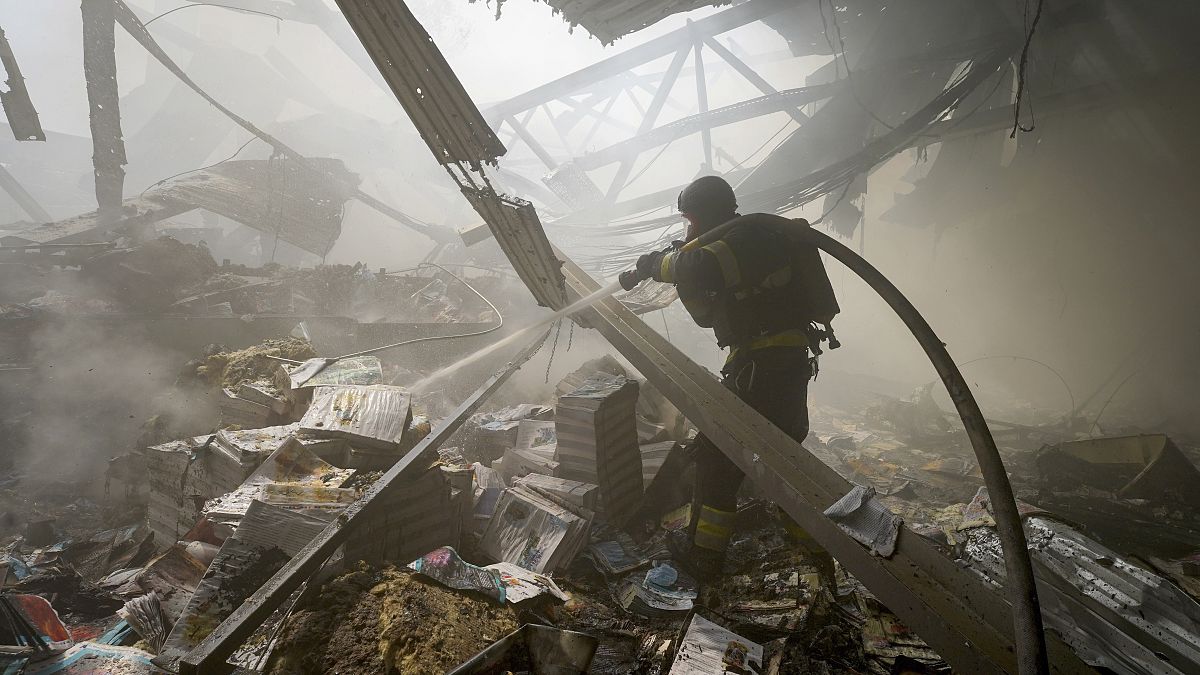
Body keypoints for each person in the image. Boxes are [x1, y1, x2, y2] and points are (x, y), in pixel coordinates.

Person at [618, 175, 839, 579]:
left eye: (691, 219)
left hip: (765, 366)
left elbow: (701, 268)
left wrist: (657, 264)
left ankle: (704, 556)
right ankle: (810, 550)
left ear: (707, 214)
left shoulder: (751, 237)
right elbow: (707, 315)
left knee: (720, 461)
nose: (689, 229)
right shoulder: (740, 241)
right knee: (780, 465)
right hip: (771, 364)